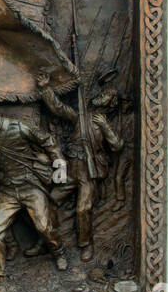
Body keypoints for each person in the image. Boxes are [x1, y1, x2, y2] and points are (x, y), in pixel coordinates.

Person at [0, 100, 68, 285]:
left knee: (44, 227)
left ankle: (58, 252)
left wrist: (60, 166)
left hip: (30, 185)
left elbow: (48, 141)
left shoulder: (18, 127)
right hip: (8, 191)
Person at [37, 68, 123, 260]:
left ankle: (86, 244)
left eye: (106, 96)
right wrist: (45, 89)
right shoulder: (82, 117)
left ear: (111, 105)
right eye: (102, 93)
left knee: (83, 208)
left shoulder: (105, 123)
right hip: (71, 168)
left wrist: (105, 126)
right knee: (50, 199)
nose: (101, 96)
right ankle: (49, 240)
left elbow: (117, 145)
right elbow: (59, 108)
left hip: (88, 173)